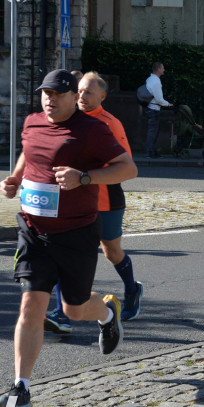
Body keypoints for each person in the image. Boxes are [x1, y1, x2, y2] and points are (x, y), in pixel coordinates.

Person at [0, 69, 138, 407]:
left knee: (74, 308)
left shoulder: (92, 130)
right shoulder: (32, 123)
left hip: (76, 232)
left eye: (58, 94)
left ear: (74, 96)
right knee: (31, 304)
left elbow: (127, 168)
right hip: (33, 230)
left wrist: (85, 177)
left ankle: (106, 314)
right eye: (45, 93)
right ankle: (21, 389)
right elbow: (30, 152)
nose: (50, 99)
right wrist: (15, 178)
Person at [44, 72, 144, 336]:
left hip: (105, 198)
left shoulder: (110, 123)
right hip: (72, 200)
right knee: (64, 253)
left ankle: (132, 290)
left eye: (88, 92)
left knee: (112, 252)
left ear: (102, 96)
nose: (82, 96)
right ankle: (62, 314)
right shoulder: (66, 119)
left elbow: (126, 166)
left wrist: (87, 174)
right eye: (79, 91)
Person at [144, 62, 172, 158]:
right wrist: (168, 104)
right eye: (163, 68)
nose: (164, 70)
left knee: (152, 131)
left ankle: (151, 151)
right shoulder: (156, 81)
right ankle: (150, 152)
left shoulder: (149, 79)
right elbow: (159, 99)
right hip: (154, 109)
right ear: (158, 69)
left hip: (149, 107)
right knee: (153, 132)